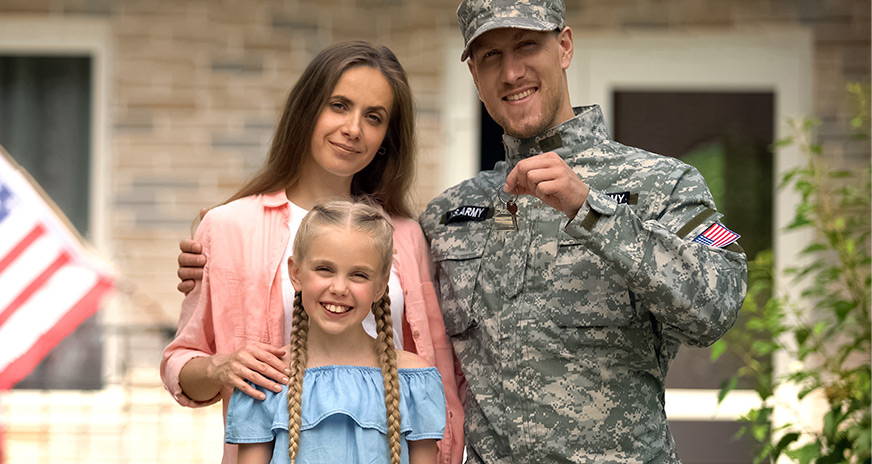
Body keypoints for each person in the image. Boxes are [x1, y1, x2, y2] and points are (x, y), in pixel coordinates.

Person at [180, 1, 749, 461]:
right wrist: (220, 253)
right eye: (490, 56)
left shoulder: (664, 184)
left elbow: (716, 308)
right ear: (474, 74)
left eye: (528, 45)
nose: (512, 70)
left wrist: (589, 208)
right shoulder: (449, 216)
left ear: (566, 46)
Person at [161, 41, 464, 464]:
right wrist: (219, 368)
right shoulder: (228, 228)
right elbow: (180, 362)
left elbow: (432, 371)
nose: (354, 128)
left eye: (373, 117)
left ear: (386, 138)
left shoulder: (407, 236)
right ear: (307, 110)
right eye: (339, 105)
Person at [225, 200, 446, 464]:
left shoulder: (414, 380)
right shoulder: (269, 378)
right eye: (324, 269)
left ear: (380, 286)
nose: (339, 288)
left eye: (359, 275)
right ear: (296, 273)